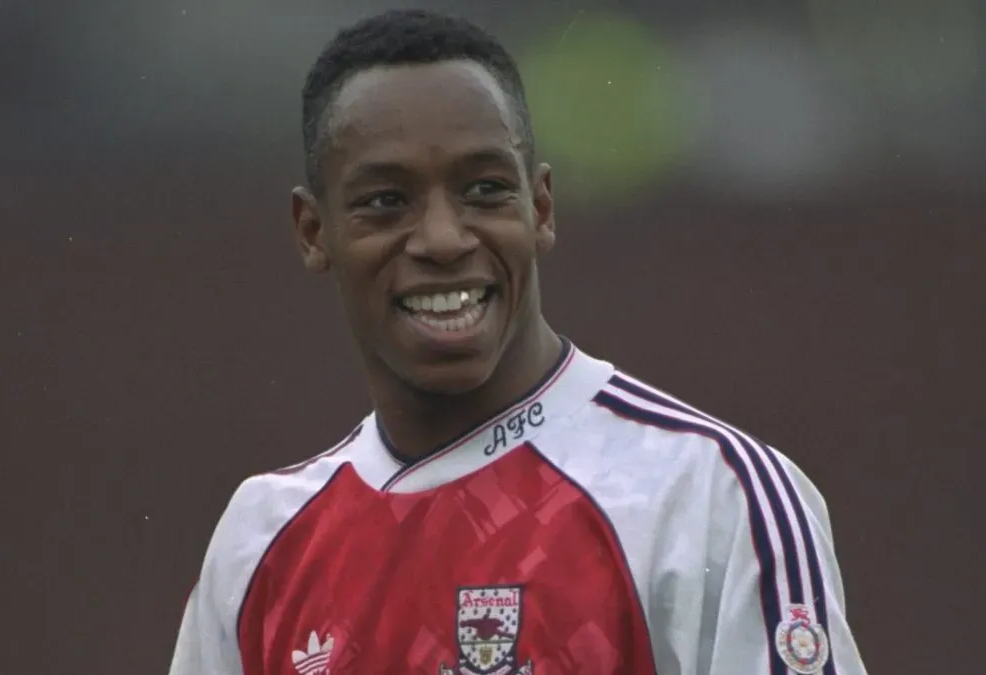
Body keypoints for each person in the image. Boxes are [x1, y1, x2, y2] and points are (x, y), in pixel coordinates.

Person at [169, 9, 867, 675]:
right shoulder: (261, 543)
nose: (443, 238)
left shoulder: (707, 495)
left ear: (539, 208)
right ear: (314, 232)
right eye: (386, 200)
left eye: (483, 189)